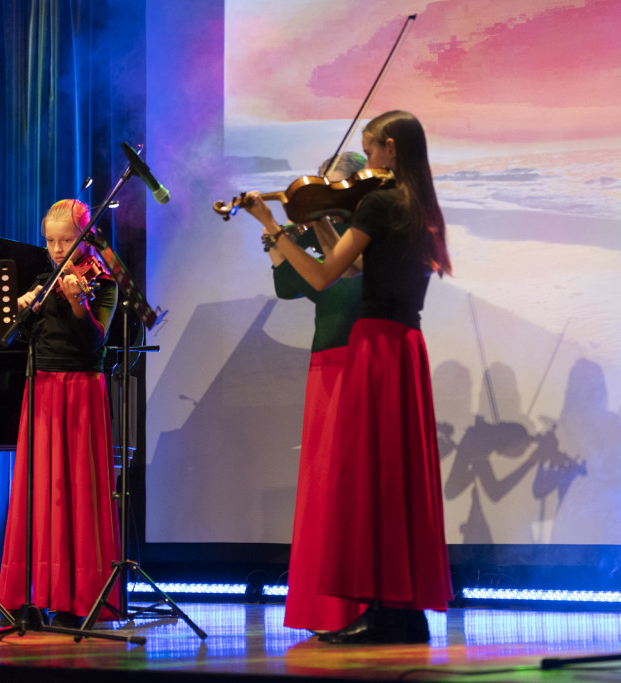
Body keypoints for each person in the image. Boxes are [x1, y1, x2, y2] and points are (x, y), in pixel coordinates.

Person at [244, 111, 453, 644]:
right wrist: (320, 216)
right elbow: (359, 266)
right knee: (395, 479)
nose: (367, 166)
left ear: (386, 147)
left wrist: (270, 226)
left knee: (368, 479)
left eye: (371, 151)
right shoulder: (421, 207)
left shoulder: (380, 204)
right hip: (407, 348)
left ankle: (384, 613)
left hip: (376, 347)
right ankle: (401, 611)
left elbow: (318, 274)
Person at [0, 199, 121, 629]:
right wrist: (24, 307)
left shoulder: (102, 283)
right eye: (50, 240)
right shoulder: (45, 277)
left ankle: (79, 597)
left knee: (78, 491)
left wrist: (77, 306)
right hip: (42, 388)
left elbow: (93, 343)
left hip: (81, 390)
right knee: (39, 491)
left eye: (66, 240)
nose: (56, 248)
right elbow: (19, 339)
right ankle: (33, 591)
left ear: (85, 237)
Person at [264, 153, 370, 633]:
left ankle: (362, 607)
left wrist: (289, 229)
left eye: (336, 188)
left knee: (354, 483)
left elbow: (343, 280)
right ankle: (327, 609)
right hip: (325, 360)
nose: (327, 196)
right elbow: (289, 286)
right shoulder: (319, 230)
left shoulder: (364, 233)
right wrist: (275, 236)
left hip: (360, 356)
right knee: (325, 483)